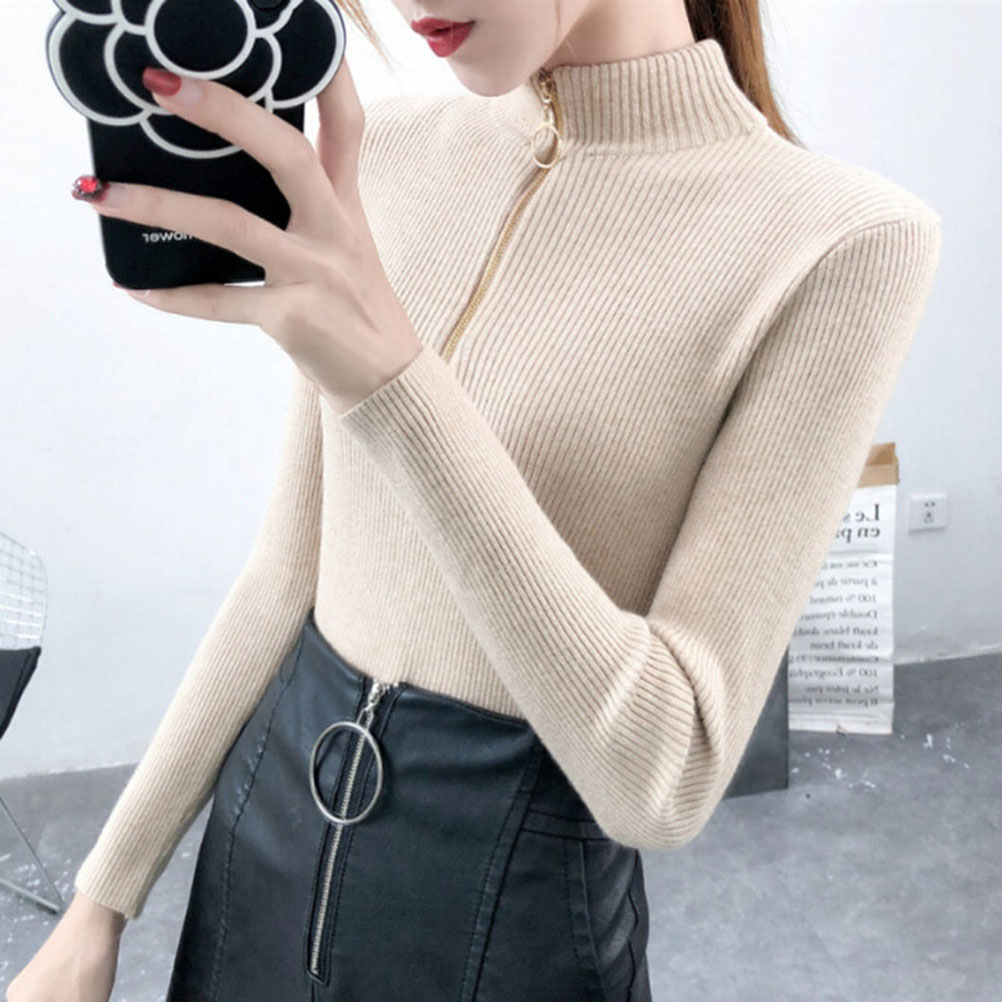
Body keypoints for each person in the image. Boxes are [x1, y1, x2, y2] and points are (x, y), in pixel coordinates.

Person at [8, 0, 942, 999]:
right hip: (256, 862)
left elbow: (666, 779)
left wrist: (392, 383)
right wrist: (101, 901)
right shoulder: (385, 153)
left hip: (505, 927)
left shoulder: (841, 242)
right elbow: (284, 577)